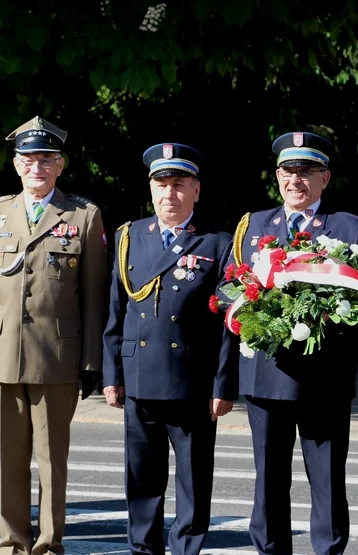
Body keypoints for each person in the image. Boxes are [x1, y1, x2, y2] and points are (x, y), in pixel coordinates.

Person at [0, 116, 107, 555]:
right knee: (9, 462)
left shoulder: (83, 215)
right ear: (16, 165)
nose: (37, 168)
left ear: (60, 165)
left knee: (52, 463)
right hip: (2, 353)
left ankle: (48, 544)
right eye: (29, 160)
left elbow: (94, 297)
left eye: (47, 160)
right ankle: (11, 543)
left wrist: (91, 362)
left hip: (57, 357)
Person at [227, 132, 358, 555]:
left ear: (324, 178)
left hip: (324, 378)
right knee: (268, 481)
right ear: (277, 176)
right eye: (289, 171)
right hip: (266, 375)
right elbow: (231, 285)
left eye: (307, 171)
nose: (296, 180)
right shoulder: (252, 226)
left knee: (326, 482)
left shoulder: (348, 228)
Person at [102, 143, 237, 554]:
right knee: (141, 481)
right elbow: (115, 311)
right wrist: (112, 375)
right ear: (151, 189)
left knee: (193, 484)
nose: (169, 194)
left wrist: (223, 385)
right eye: (161, 184)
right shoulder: (129, 237)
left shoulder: (217, 243)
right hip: (140, 378)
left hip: (192, 383)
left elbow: (231, 324)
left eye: (179, 184)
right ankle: (143, 550)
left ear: (196, 190)